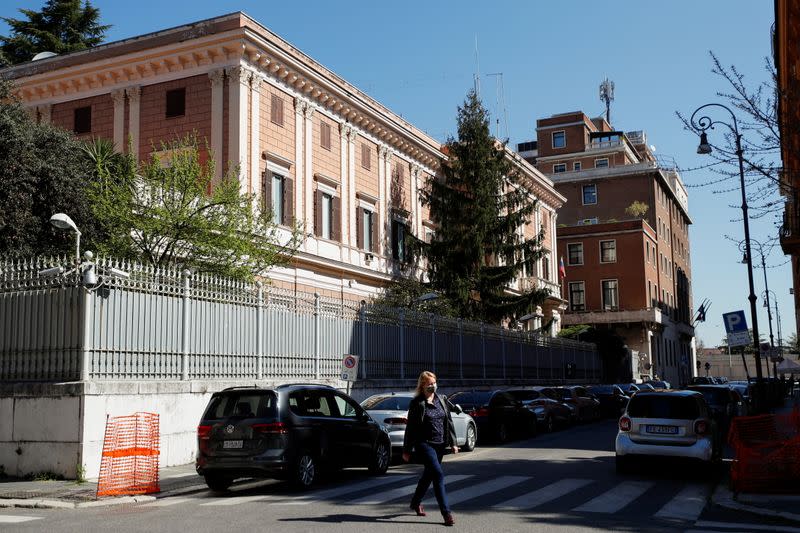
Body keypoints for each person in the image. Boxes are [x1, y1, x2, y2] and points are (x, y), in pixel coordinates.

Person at [402, 371, 458, 527]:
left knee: (428, 476)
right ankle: (446, 513)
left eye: (434, 383)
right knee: (438, 475)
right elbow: (411, 428)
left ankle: (415, 502)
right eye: (430, 383)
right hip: (424, 444)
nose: (433, 386)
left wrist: (453, 442)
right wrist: (406, 450)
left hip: (440, 444)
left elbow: (449, 421)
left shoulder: (442, 399)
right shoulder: (417, 403)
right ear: (423, 385)